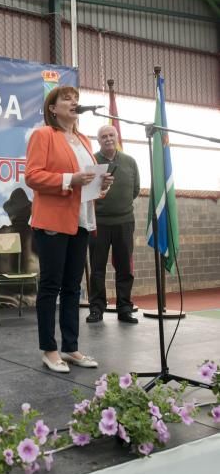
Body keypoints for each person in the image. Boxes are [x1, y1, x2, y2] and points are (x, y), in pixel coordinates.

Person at [25, 86, 113, 373]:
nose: (73, 102)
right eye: (66, 99)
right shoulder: (43, 135)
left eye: (76, 99)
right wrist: (70, 178)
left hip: (82, 219)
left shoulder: (84, 140)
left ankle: (71, 347)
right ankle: (49, 349)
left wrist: (100, 186)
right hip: (52, 220)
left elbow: (85, 184)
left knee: (74, 287)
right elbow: (33, 176)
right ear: (52, 108)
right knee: (51, 286)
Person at [87, 125, 140, 325]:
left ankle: (125, 308)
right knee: (98, 268)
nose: (108, 139)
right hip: (98, 222)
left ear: (116, 137)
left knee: (125, 267)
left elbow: (135, 190)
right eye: (103, 136)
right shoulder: (91, 161)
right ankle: (96, 309)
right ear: (98, 140)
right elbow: (87, 192)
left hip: (124, 222)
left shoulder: (130, 162)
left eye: (111, 135)